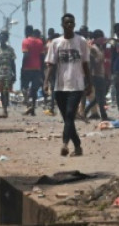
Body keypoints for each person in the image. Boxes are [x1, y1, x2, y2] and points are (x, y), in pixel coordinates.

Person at [44, 13, 92, 157]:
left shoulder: (81, 41)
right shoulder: (55, 43)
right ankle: (78, 146)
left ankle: (65, 144)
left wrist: (89, 83)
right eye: (67, 23)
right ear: (62, 25)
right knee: (67, 119)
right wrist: (46, 82)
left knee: (70, 114)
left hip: (76, 85)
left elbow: (85, 63)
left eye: (72, 22)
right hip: (60, 86)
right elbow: (51, 65)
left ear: (74, 24)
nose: (69, 25)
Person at [83, 30, 110, 121]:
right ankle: (104, 115)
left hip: (101, 75)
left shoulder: (100, 48)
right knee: (101, 96)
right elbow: (92, 62)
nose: (102, 39)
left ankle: (85, 111)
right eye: (100, 37)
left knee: (98, 97)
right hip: (96, 75)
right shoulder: (93, 48)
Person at [20, 26, 45, 116]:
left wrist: (22, 68)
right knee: (34, 90)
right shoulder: (40, 42)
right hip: (37, 68)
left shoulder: (25, 41)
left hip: (27, 68)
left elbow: (25, 55)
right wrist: (42, 70)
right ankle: (33, 109)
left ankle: (28, 103)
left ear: (26, 32)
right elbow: (42, 57)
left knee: (24, 87)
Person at [0, 31, 17, 118]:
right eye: (0, 38)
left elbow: (13, 63)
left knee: (6, 91)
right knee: (1, 93)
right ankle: (4, 108)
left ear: (6, 39)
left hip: (8, 74)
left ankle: (5, 110)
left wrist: (15, 75)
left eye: (3, 38)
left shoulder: (10, 50)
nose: (1, 39)